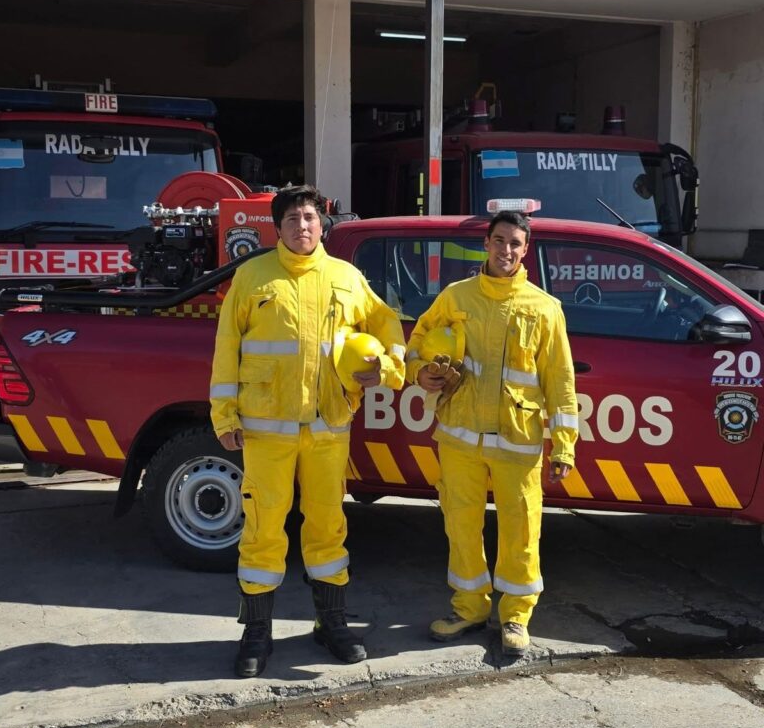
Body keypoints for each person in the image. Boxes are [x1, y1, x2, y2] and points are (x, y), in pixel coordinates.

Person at [210, 185, 405, 678]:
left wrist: (385, 367)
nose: (302, 225)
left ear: (323, 225)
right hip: (265, 431)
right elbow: (226, 349)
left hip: (328, 428)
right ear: (278, 227)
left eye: (310, 217)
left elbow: (387, 326)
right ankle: (257, 633)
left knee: (327, 525)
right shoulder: (252, 277)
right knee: (262, 530)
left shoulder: (347, 277)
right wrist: (224, 416)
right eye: (293, 218)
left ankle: (331, 623)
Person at [406, 210, 578, 657]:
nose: (506, 250)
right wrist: (420, 372)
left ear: (526, 250)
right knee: (461, 525)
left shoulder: (545, 308)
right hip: (460, 436)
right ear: (486, 244)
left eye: (515, 243)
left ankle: (516, 615)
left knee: (521, 529)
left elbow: (560, 382)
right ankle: (469, 607)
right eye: (499, 240)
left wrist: (564, 446)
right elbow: (417, 341)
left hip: (517, 440)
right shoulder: (456, 296)